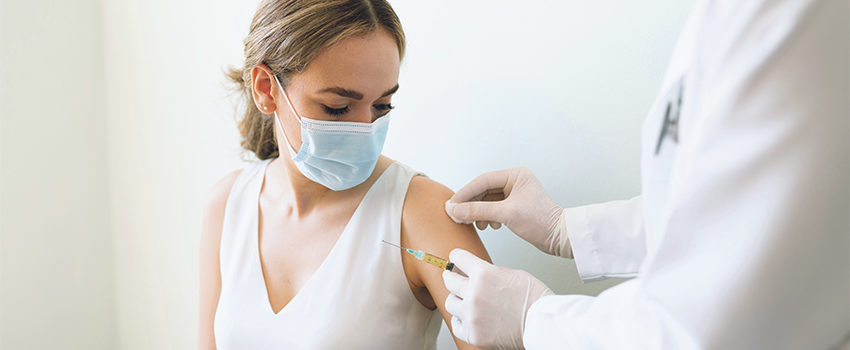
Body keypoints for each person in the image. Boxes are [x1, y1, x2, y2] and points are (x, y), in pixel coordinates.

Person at [441, 0, 849, 348]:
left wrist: (535, 319)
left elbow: (698, 327)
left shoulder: (791, 19)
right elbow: (726, 208)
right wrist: (564, 227)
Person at [198, 1, 489, 349]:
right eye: (337, 108)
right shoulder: (229, 204)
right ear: (265, 88)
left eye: (382, 106)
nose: (366, 129)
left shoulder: (422, 213)